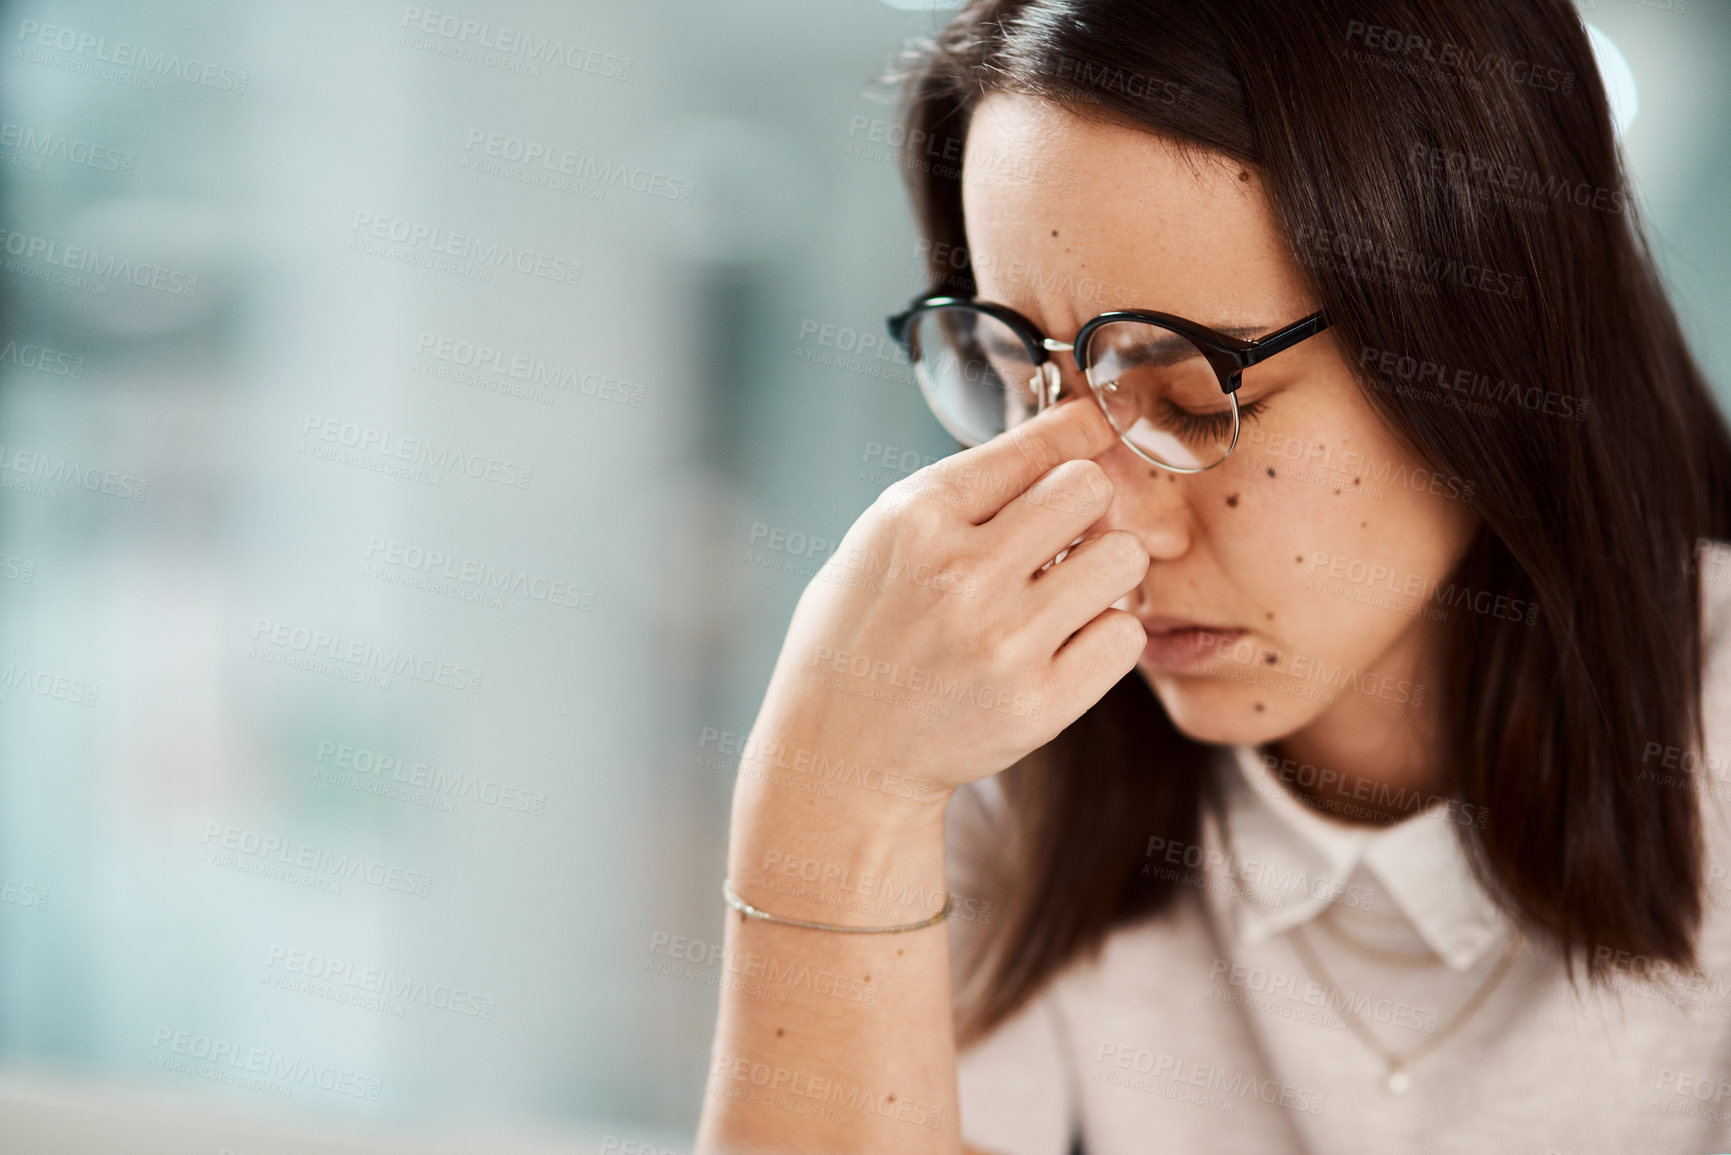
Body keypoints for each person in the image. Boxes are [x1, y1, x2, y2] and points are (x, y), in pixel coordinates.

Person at [696, 1, 1731, 1152]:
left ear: (1482, 347)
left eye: (1190, 398)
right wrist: (832, 792)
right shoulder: (1006, 755)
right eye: (1018, 377)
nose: (1096, 524)